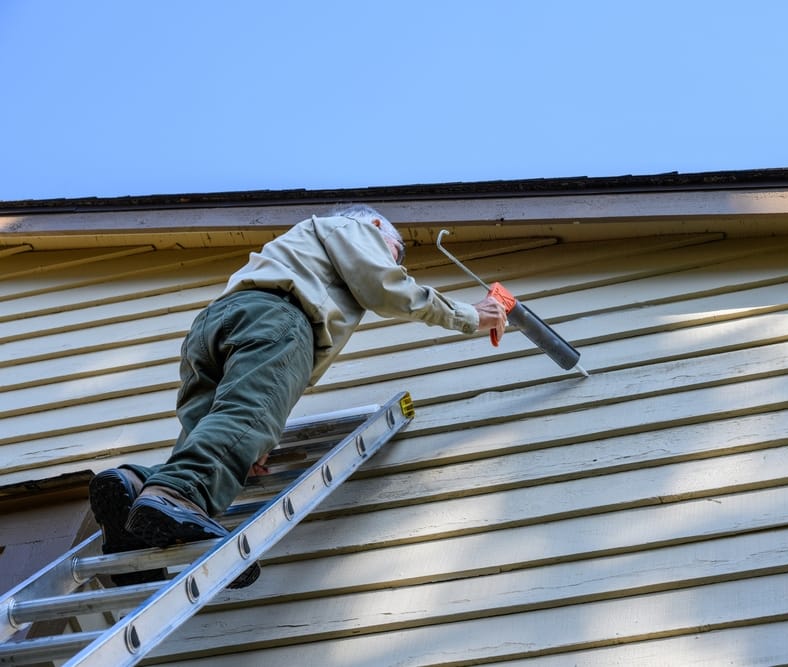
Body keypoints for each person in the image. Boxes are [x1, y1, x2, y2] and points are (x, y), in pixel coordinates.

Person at [88, 204, 508, 588]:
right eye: (394, 252)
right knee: (245, 418)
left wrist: (254, 440)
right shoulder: (352, 228)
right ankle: (174, 496)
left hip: (212, 328)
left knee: (209, 432)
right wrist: (471, 315)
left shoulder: (298, 245)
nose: (393, 261)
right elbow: (385, 287)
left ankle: (135, 490)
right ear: (377, 226)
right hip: (277, 317)